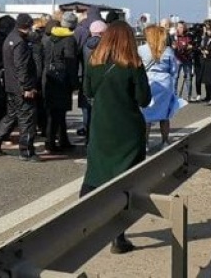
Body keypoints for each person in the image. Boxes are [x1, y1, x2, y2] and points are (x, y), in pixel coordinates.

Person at [82, 21, 151, 254]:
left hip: (101, 127)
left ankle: (78, 226)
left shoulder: (94, 61)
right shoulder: (133, 64)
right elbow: (144, 99)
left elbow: (88, 92)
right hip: (128, 131)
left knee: (94, 175)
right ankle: (118, 237)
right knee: (124, 182)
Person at [0, 13, 41, 161]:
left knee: (11, 116)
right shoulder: (20, 43)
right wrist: (27, 87)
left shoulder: (10, 38)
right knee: (27, 118)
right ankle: (26, 151)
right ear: (27, 26)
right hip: (21, 86)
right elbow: (21, 66)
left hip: (10, 85)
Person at [139, 25, 182, 150]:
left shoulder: (141, 49)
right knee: (164, 114)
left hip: (149, 82)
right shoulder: (167, 50)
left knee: (146, 115)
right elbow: (174, 69)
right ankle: (165, 141)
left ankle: (145, 143)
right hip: (164, 83)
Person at [42, 12, 79, 153]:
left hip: (49, 77)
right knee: (58, 112)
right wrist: (75, 83)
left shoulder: (51, 37)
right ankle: (51, 142)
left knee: (53, 112)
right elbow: (70, 63)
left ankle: (60, 140)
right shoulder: (69, 40)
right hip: (62, 80)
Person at [80, 20, 108, 140]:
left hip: (87, 81)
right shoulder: (106, 46)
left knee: (87, 112)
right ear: (102, 33)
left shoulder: (85, 46)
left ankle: (88, 139)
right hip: (102, 84)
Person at [172, 21, 195, 102]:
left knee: (188, 77)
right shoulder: (174, 36)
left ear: (184, 28)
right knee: (175, 78)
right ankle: (174, 95)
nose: (180, 29)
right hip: (177, 59)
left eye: (182, 27)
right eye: (179, 27)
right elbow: (174, 47)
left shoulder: (189, 36)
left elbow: (191, 46)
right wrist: (182, 47)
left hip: (187, 59)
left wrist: (187, 47)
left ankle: (189, 95)